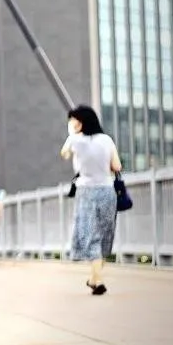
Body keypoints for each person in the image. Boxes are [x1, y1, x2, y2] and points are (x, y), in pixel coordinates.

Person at [60, 105, 122, 295]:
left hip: (86, 192)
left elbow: (64, 154)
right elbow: (117, 165)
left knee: (90, 235)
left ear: (79, 121)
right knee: (104, 234)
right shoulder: (106, 140)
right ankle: (95, 279)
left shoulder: (75, 140)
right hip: (107, 191)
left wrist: (72, 133)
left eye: (73, 120)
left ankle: (98, 279)